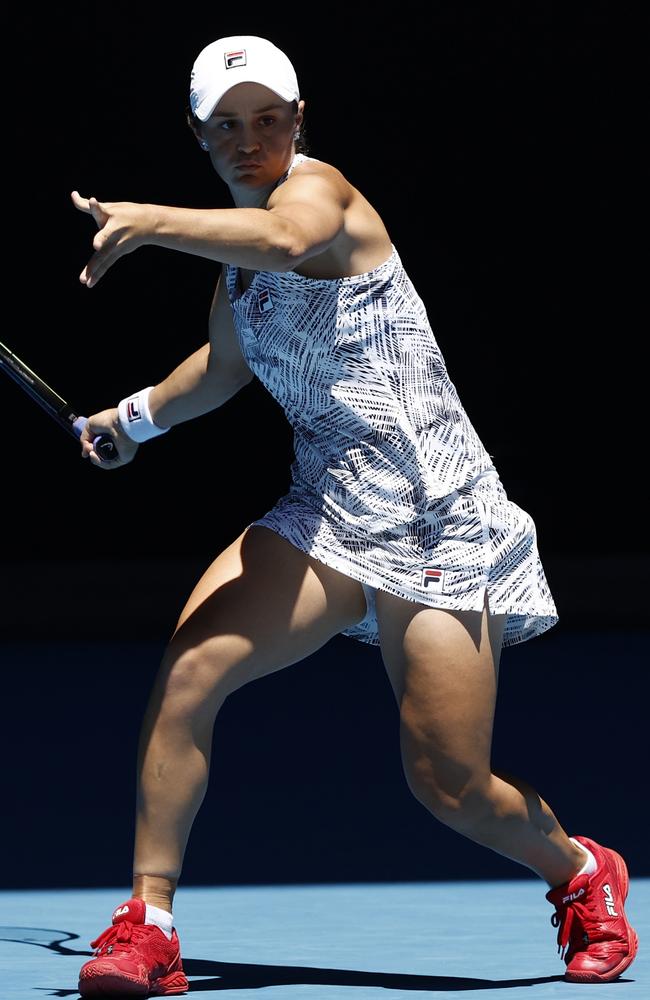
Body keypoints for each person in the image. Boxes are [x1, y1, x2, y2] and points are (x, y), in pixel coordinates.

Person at [72, 34, 637, 997]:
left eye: (268, 121)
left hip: (436, 521)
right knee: (189, 670)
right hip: (324, 515)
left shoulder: (323, 200)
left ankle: (583, 871)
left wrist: (148, 223)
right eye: (227, 127)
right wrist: (131, 421)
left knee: (450, 787)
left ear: (299, 123)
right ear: (200, 135)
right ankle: (149, 922)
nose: (250, 141)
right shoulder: (234, 270)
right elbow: (224, 367)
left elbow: (285, 238)